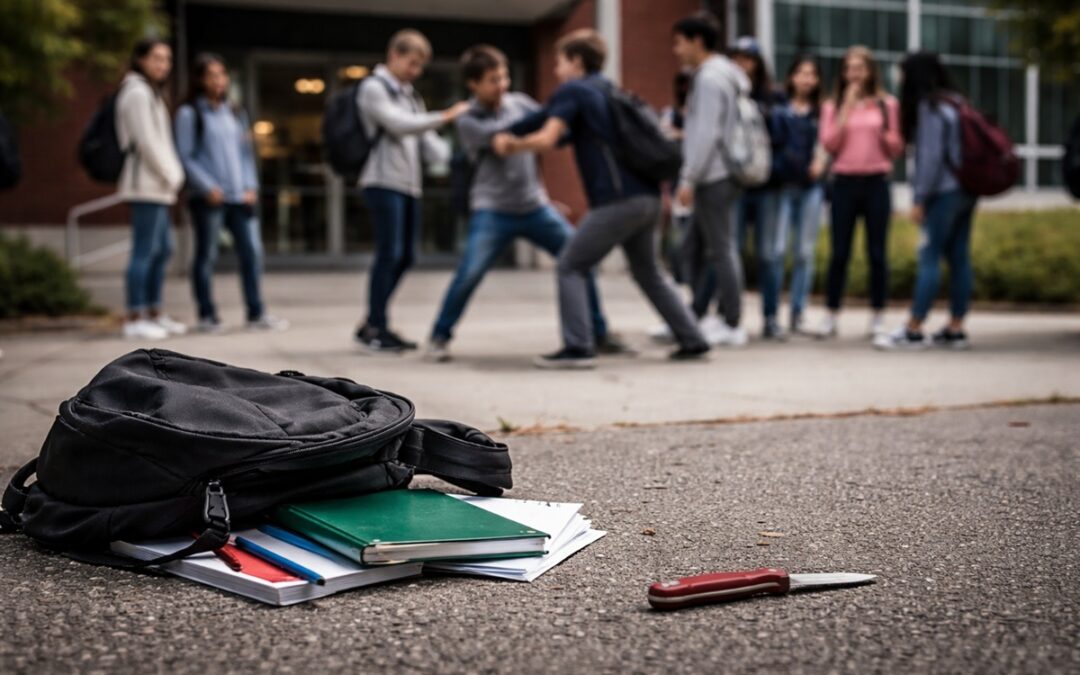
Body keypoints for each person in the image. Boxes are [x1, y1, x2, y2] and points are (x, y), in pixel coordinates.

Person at [494, 29, 709, 369]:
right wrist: (509, 130)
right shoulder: (608, 90)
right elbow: (542, 118)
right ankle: (693, 339)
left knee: (571, 264)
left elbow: (547, 137)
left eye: (561, 61)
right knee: (648, 271)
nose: (556, 69)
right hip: (649, 199)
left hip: (617, 202)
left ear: (576, 61)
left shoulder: (574, 89)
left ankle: (578, 348)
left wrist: (510, 145)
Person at [426, 46, 622, 363]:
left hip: (534, 206)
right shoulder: (467, 120)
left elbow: (548, 127)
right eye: (493, 80)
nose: (502, 85)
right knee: (469, 273)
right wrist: (539, 131)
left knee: (579, 257)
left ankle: (599, 334)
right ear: (473, 84)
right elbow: (503, 143)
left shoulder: (519, 103)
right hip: (492, 210)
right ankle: (439, 336)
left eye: (503, 76)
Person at [354, 29, 471, 354]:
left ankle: (372, 321)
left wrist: (467, 151)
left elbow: (428, 145)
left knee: (406, 256)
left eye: (420, 66)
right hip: (381, 182)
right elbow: (400, 125)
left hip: (408, 185)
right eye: (411, 63)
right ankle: (376, 326)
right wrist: (446, 116)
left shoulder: (409, 95)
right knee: (388, 254)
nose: (415, 71)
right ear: (394, 55)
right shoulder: (373, 88)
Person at [175, 53, 287, 334]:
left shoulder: (235, 112)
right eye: (212, 75)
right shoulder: (190, 114)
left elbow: (246, 154)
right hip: (210, 197)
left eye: (222, 74)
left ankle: (256, 312)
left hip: (240, 197)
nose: (219, 80)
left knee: (252, 253)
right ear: (200, 79)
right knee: (207, 256)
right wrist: (206, 186)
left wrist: (251, 186)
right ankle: (207, 315)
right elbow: (185, 156)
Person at [875, 52, 977, 351]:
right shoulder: (956, 101)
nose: (899, 78)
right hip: (967, 189)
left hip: (942, 192)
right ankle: (955, 327)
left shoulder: (930, 107)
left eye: (902, 72)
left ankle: (914, 328)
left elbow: (930, 159)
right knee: (959, 257)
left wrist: (919, 198)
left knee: (929, 256)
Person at [672, 13, 750, 347]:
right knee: (697, 247)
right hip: (720, 172)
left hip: (713, 174)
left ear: (697, 41)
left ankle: (731, 321)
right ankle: (694, 316)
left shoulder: (709, 78)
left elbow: (706, 132)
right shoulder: (725, 75)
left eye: (679, 42)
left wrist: (688, 178)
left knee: (720, 248)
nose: (676, 50)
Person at [818, 45, 904, 339]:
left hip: (876, 182)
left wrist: (881, 131)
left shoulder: (886, 104)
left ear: (870, 71)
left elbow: (896, 147)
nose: (853, 74)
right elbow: (829, 144)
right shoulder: (832, 105)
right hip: (844, 183)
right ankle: (831, 313)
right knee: (839, 252)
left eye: (859, 68)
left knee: (877, 253)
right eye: (848, 68)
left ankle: (878, 314)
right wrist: (845, 109)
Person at [115, 38, 186, 341]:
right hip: (146, 184)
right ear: (140, 59)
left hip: (159, 185)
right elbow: (146, 142)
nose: (163, 65)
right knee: (144, 251)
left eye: (167, 59)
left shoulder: (152, 93)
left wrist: (171, 177)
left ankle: (154, 311)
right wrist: (171, 174)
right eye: (156, 58)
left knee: (163, 250)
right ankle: (134, 315)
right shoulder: (137, 93)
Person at [729, 36, 788, 340]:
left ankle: (771, 317)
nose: (742, 64)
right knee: (731, 251)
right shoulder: (725, 94)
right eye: (736, 58)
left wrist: (770, 171)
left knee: (769, 254)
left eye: (748, 58)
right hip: (736, 187)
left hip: (768, 187)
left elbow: (787, 142)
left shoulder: (774, 99)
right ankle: (731, 318)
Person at [770, 56, 828, 336]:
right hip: (783, 187)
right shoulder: (779, 110)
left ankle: (798, 311)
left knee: (804, 252)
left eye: (811, 74)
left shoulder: (821, 112)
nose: (806, 79)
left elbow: (828, 142)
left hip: (810, 188)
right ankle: (773, 315)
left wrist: (821, 161)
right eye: (800, 73)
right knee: (778, 250)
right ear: (791, 77)